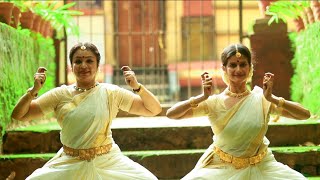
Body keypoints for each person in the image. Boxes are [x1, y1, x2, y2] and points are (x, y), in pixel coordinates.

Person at [11, 42, 162, 180]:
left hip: (108, 161)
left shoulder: (111, 93)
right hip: (70, 161)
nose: (84, 65)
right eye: (78, 61)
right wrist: (33, 91)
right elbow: (19, 115)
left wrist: (137, 87)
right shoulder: (59, 95)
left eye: (89, 60)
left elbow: (154, 109)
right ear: (71, 66)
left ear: (98, 66)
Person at [166, 43, 311, 180]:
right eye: (233, 65)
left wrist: (272, 98)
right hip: (221, 167)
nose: (238, 70)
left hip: (262, 167)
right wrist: (202, 97)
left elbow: (304, 115)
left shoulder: (262, 100)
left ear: (250, 67)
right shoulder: (213, 102)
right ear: (224, 69)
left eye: (243, 64)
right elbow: (172, 114)